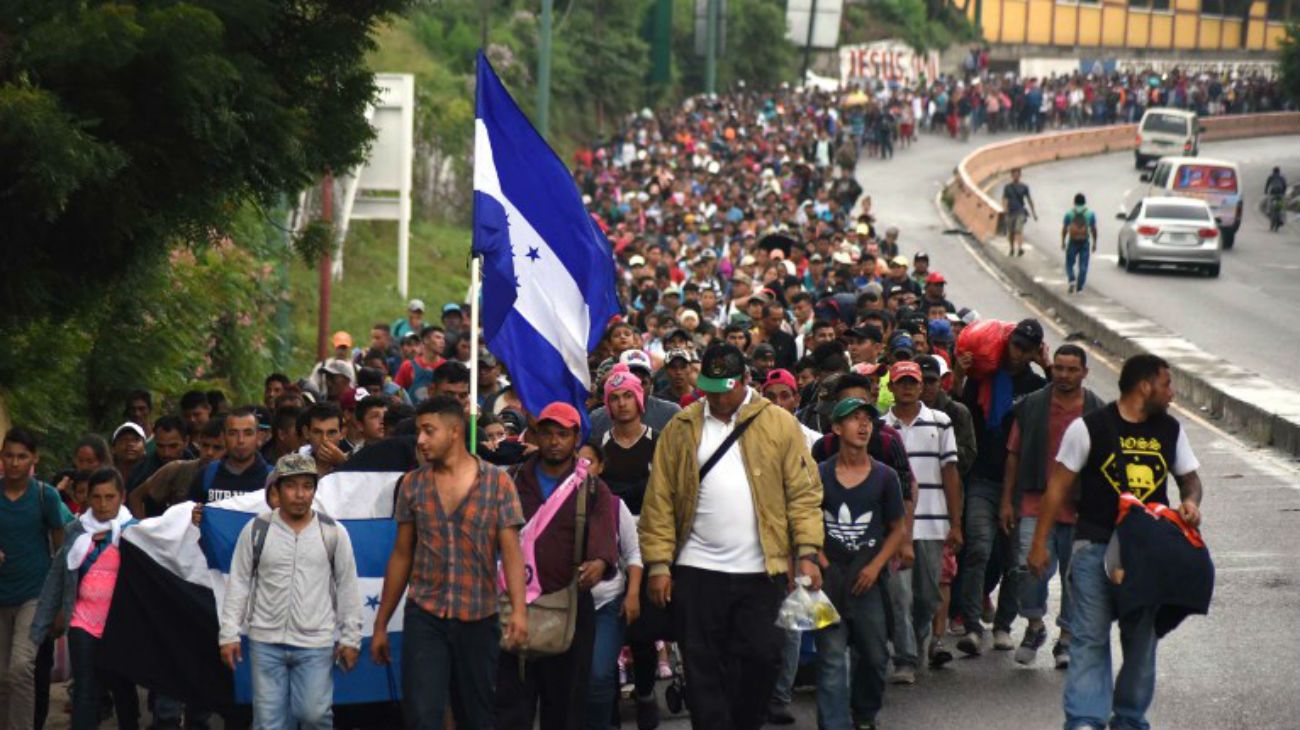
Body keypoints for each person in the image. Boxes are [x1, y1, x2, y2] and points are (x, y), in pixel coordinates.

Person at [640, 343, 824, 730]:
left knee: (764, 656)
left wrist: (807, 551)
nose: (718, 397)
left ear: (743, 382)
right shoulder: (681, 427)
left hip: (762, 570)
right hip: (697, 571)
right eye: (710, 388)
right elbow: (659, 500)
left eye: (725, 388)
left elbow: (804, 494)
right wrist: (658, 564)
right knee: (703, 667)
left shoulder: (778, 423)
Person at [1028, 354, 1204, 730]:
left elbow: (1189, 479)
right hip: (1094, 547)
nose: (1171, 394)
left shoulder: (1170, 430)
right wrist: (1038, 543)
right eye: (1166, 384)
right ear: (1145, 386)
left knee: (1141, 642)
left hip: (1147, 557)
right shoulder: (1089, 428)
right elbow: (1057, 487)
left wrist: (1190, 502)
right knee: (1089, 637)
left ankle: (1129, 719)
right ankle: (1085, 721)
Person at [372, 396, 528, 730]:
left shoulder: (497, 483)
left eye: (429, 431)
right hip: (425, 614)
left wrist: (518, 610)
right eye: (419, 431)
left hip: (479, 616)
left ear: (455, 431)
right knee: (422, 714)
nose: (420, 440)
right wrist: (381, 622)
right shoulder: (413, 485)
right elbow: (401, 555)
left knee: (476, 715)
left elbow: (512, 552)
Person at [217, 453, 362, 730]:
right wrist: (229, 633)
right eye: (291, 486)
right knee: (268, 723)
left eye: (307, 486)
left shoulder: (332, 532)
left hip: (316, 643)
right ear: (277, 490)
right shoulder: (257, 530)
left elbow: (347, 586)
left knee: (314, 715)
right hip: (265, 641)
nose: (299, 494)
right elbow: (239, 583)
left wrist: (351, 638)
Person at [497, 402, 618, 730]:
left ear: (576, 437)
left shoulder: (592, 487)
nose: (553, 441)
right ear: (535, 435)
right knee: (511, 707)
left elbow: (605, 532)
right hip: (515, 605)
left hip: (570, 608)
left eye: (562, 434)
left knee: (565, 709)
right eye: (547, 433)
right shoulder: (512, 481)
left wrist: (600, 561)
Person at [1002, 344, 1104, 669]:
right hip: (1035, 503)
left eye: (1072, 369)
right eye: (1059, 368)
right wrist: (1006, 501)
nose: (1064, 375)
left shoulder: (1099, 412)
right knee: (1029, 570)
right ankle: (1034, 625)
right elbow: (1013, 454)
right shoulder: (1032, 406)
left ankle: (1067, 640)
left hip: (1081, 510)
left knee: (1077, 578)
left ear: (1085, 373)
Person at [814, 398, 907, 730]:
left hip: (869, 581)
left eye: (868, 419)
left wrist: (876, 565)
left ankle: (864, 714)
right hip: (828, 584)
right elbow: (804, 522)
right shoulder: (819, 475)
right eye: (854, 419)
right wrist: (819, 561)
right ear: (837, 428)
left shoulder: (886, 477)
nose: (864, 425)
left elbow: (898, 529)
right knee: (831, 660)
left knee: (875, 656)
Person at [957, 318, 1047, 657]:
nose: (1018, 354)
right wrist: (962, 373)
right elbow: (962, 412)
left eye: (1027, 350)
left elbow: (1060, 410)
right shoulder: (985, 379)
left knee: (1015, 561)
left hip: (1022, 488)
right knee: (978, 549)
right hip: (983, 478)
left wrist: (1050, 368)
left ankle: (1004, 626)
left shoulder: (1039, 385)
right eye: (1015, 346)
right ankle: (970, 626)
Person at [30, 468, 138, 730]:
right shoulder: (76, 531)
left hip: (120, 626)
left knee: (123, 688)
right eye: (97, 497)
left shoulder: (136, 533)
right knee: (85, 691)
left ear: (122, 497)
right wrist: (41, 625)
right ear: (87, 499)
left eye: (109, 497)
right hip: (82, 622)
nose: (103, 504)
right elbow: (57, 577)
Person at [883, 360, 963, 681]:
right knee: (899, 594)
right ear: (890, 387)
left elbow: (950, 473)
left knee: (928, 594)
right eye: (900, 382)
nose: (907, 387)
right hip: (895, 525)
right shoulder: (880, 426)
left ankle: (915, 643)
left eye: (912, 382)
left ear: (921, 386)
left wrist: (956, 523)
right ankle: (905, 657)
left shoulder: (941, 422)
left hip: (933, 522)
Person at [0, 428, 66, 730]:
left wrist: (60, 603)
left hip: (33, 595)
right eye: (9, 456)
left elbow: (61, 550)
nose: (14, 463)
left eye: (21, 456)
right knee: (3, 676)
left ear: (33, 459)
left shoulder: (45, 496)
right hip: (1, 596)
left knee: (20, 667)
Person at [580, 442, 643, 730]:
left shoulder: (616, 507)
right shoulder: (555, 504)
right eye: (576, 463)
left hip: (607, 602)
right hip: (566, 603)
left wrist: (632, 595)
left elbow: (633, 555)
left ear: (601, 466)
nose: (582, 469)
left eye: (589, 462)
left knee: (598, 674)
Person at [189, 409, 272, 525]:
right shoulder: (207, 475)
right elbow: (190, 515)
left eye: (248, 433)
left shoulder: (272, 479)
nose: (240, 440)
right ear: (224, 436)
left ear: (258, 436)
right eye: (233, 433)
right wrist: (194, 517)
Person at [1061, 193, 1097, 294]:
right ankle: (1080, 287)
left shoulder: (1069, 213)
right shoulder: (1090, 214)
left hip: (1073, 241)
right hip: (1085, 241)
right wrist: (1094, 243)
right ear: (1084, 202)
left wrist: (1063, 241)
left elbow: (1065, 229)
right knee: (1083, 265)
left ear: (1074, 202)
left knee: (1069, 263)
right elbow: (1094, 229)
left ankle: (1072, 279)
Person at [1002, 167, 1038, 257]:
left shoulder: (1024, 187)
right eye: (1014, 174)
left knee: (1018, 230)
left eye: (1017, 174)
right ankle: (1012, 248)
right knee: (1011, 233)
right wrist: (1005, 212)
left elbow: (1029, 200)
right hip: (1010, 212)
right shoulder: (1007, 188)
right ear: (1011, 176)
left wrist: (1034, 213)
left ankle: (1020, 248)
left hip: (1020, 212)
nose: (1015, 176)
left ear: (1020, 175)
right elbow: (1005, 200)